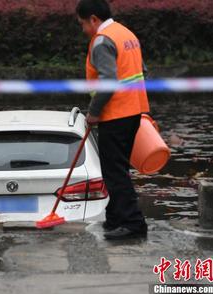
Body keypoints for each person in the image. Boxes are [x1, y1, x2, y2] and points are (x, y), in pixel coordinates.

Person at [76, 0, 150, 240]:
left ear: (94, 19)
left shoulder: (101, 40)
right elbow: (143, 71)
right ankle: (116, 218)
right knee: (118, 168)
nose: (83, 29)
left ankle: (133, 224)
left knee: (114, 171)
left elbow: (108, 82)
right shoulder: (125, 33)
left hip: (115, 114)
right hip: (134, 111)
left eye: (83, 24)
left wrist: (94, 112)